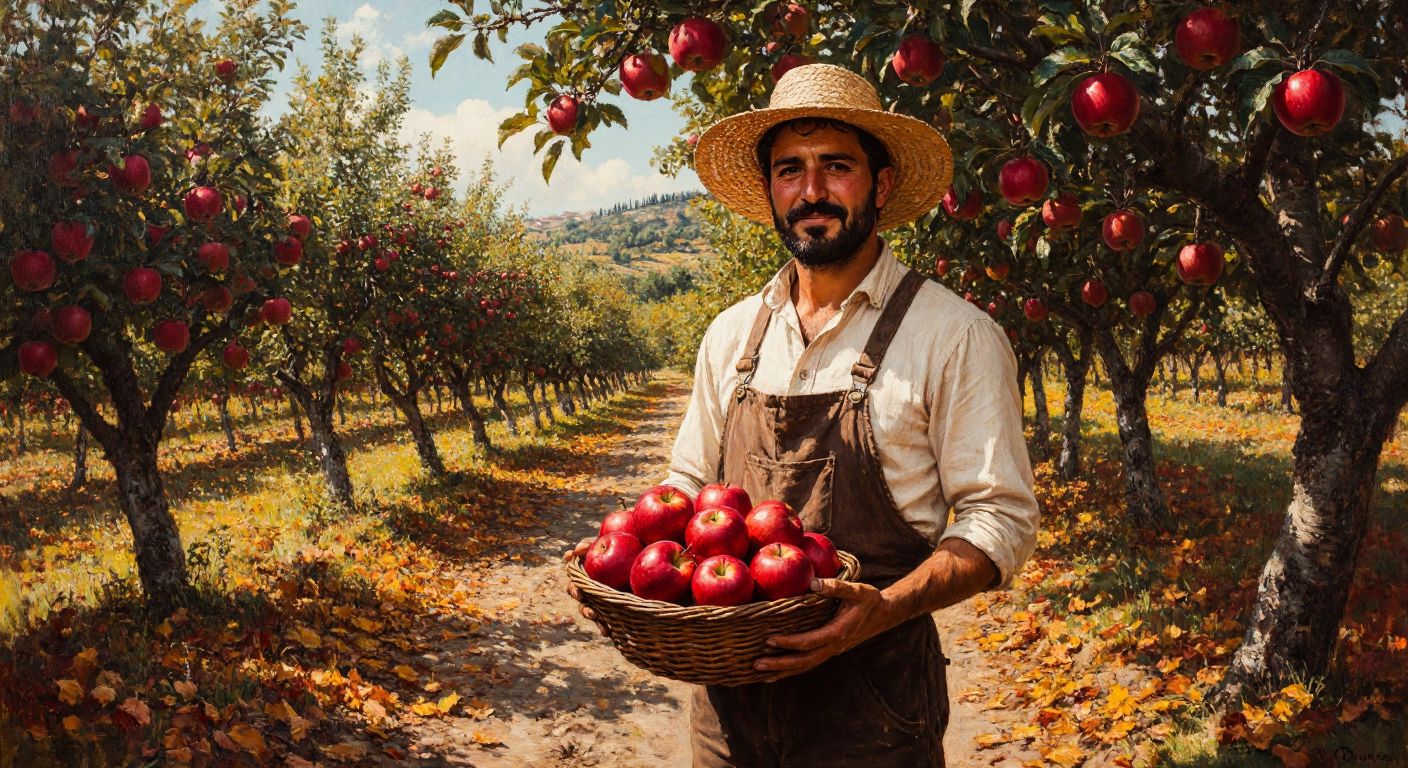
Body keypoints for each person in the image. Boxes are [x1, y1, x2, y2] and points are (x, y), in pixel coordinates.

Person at [566, 63, 1039, 767]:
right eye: (790, 170)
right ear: (769, 191)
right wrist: (629, 567)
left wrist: (885, 609)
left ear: (878, 185)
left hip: (872, 710)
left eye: (835, 166)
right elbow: (689, 484)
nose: (811, 191)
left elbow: (999, 519)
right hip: (728, 711)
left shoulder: (954, 335)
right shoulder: (731, 336)